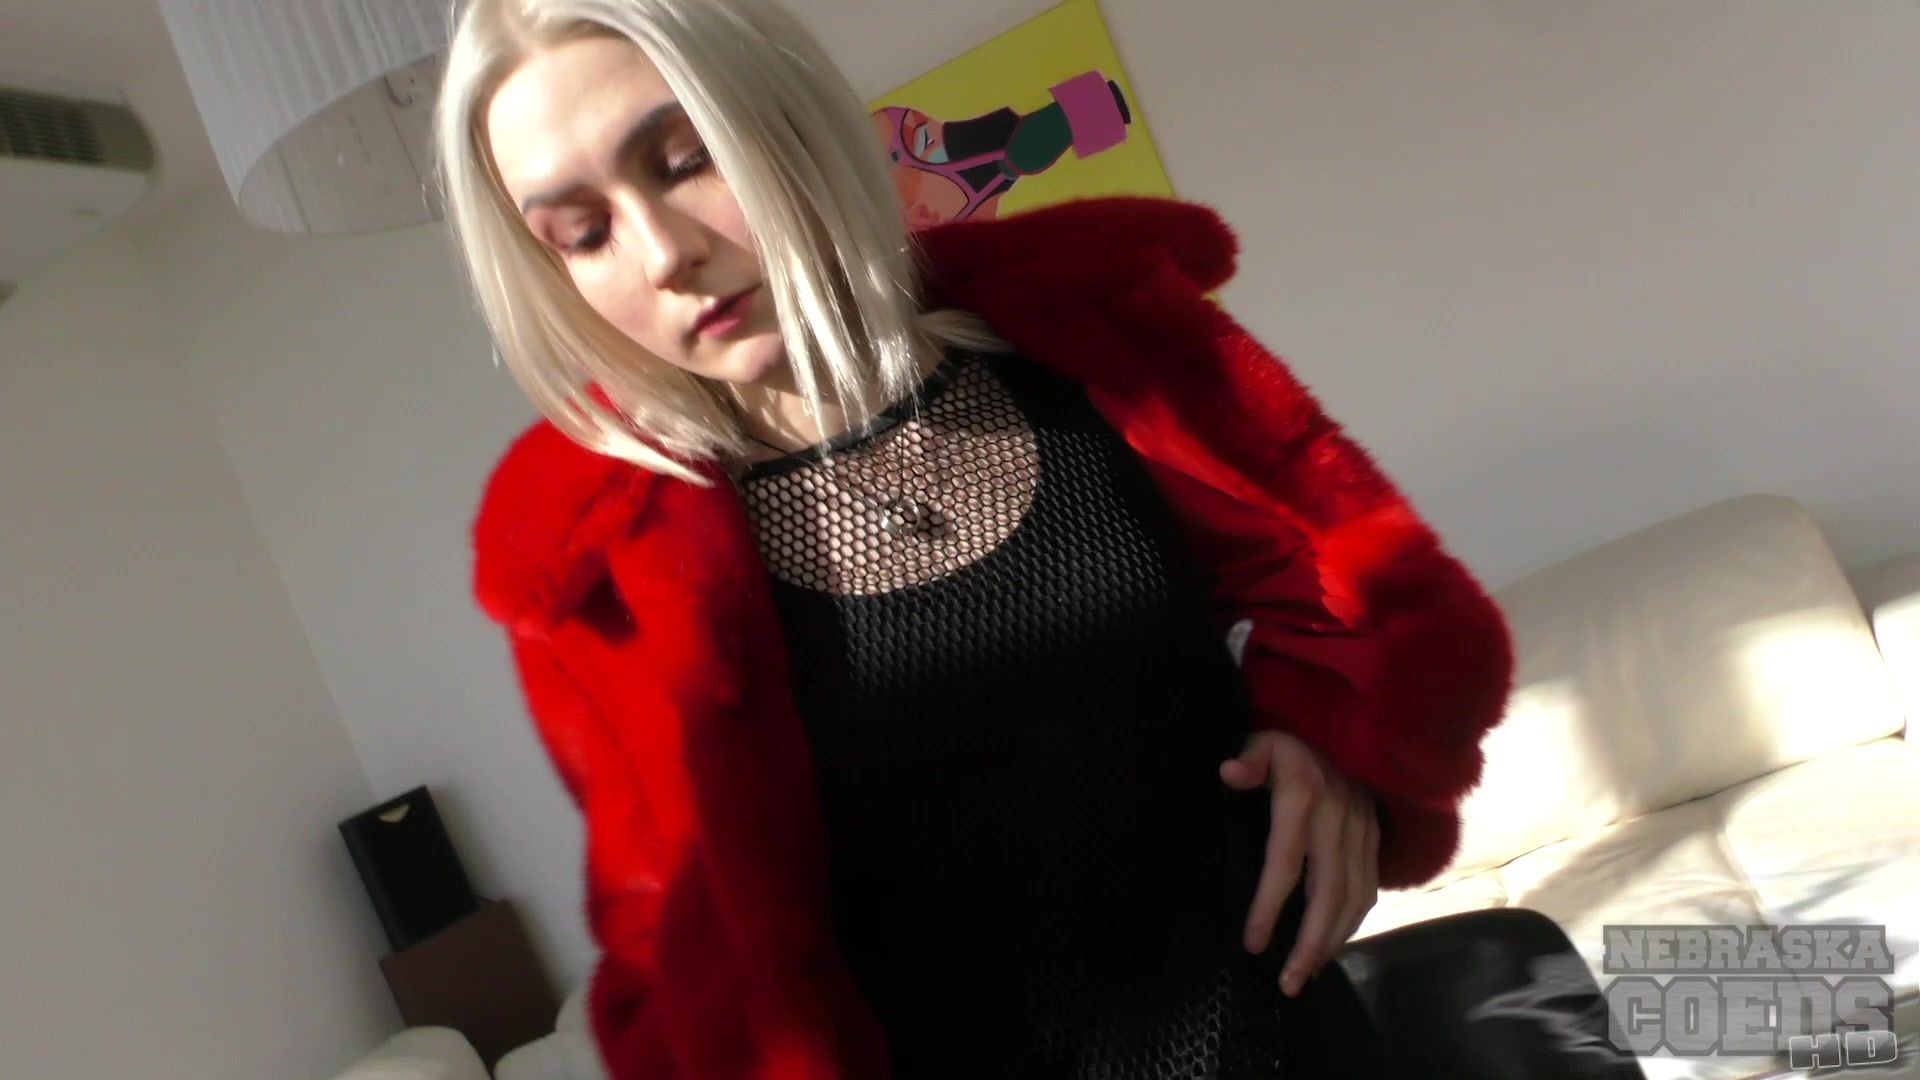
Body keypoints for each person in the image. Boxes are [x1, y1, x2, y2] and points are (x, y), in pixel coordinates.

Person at [439, 0, 1514, 1076]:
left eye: (685, 161)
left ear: (788, 119)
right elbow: (670, 957)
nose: (664, 252)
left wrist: (1326, 743)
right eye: (583, 233)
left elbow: (1353, 593)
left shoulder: (1099, 338)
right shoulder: (601, 579)